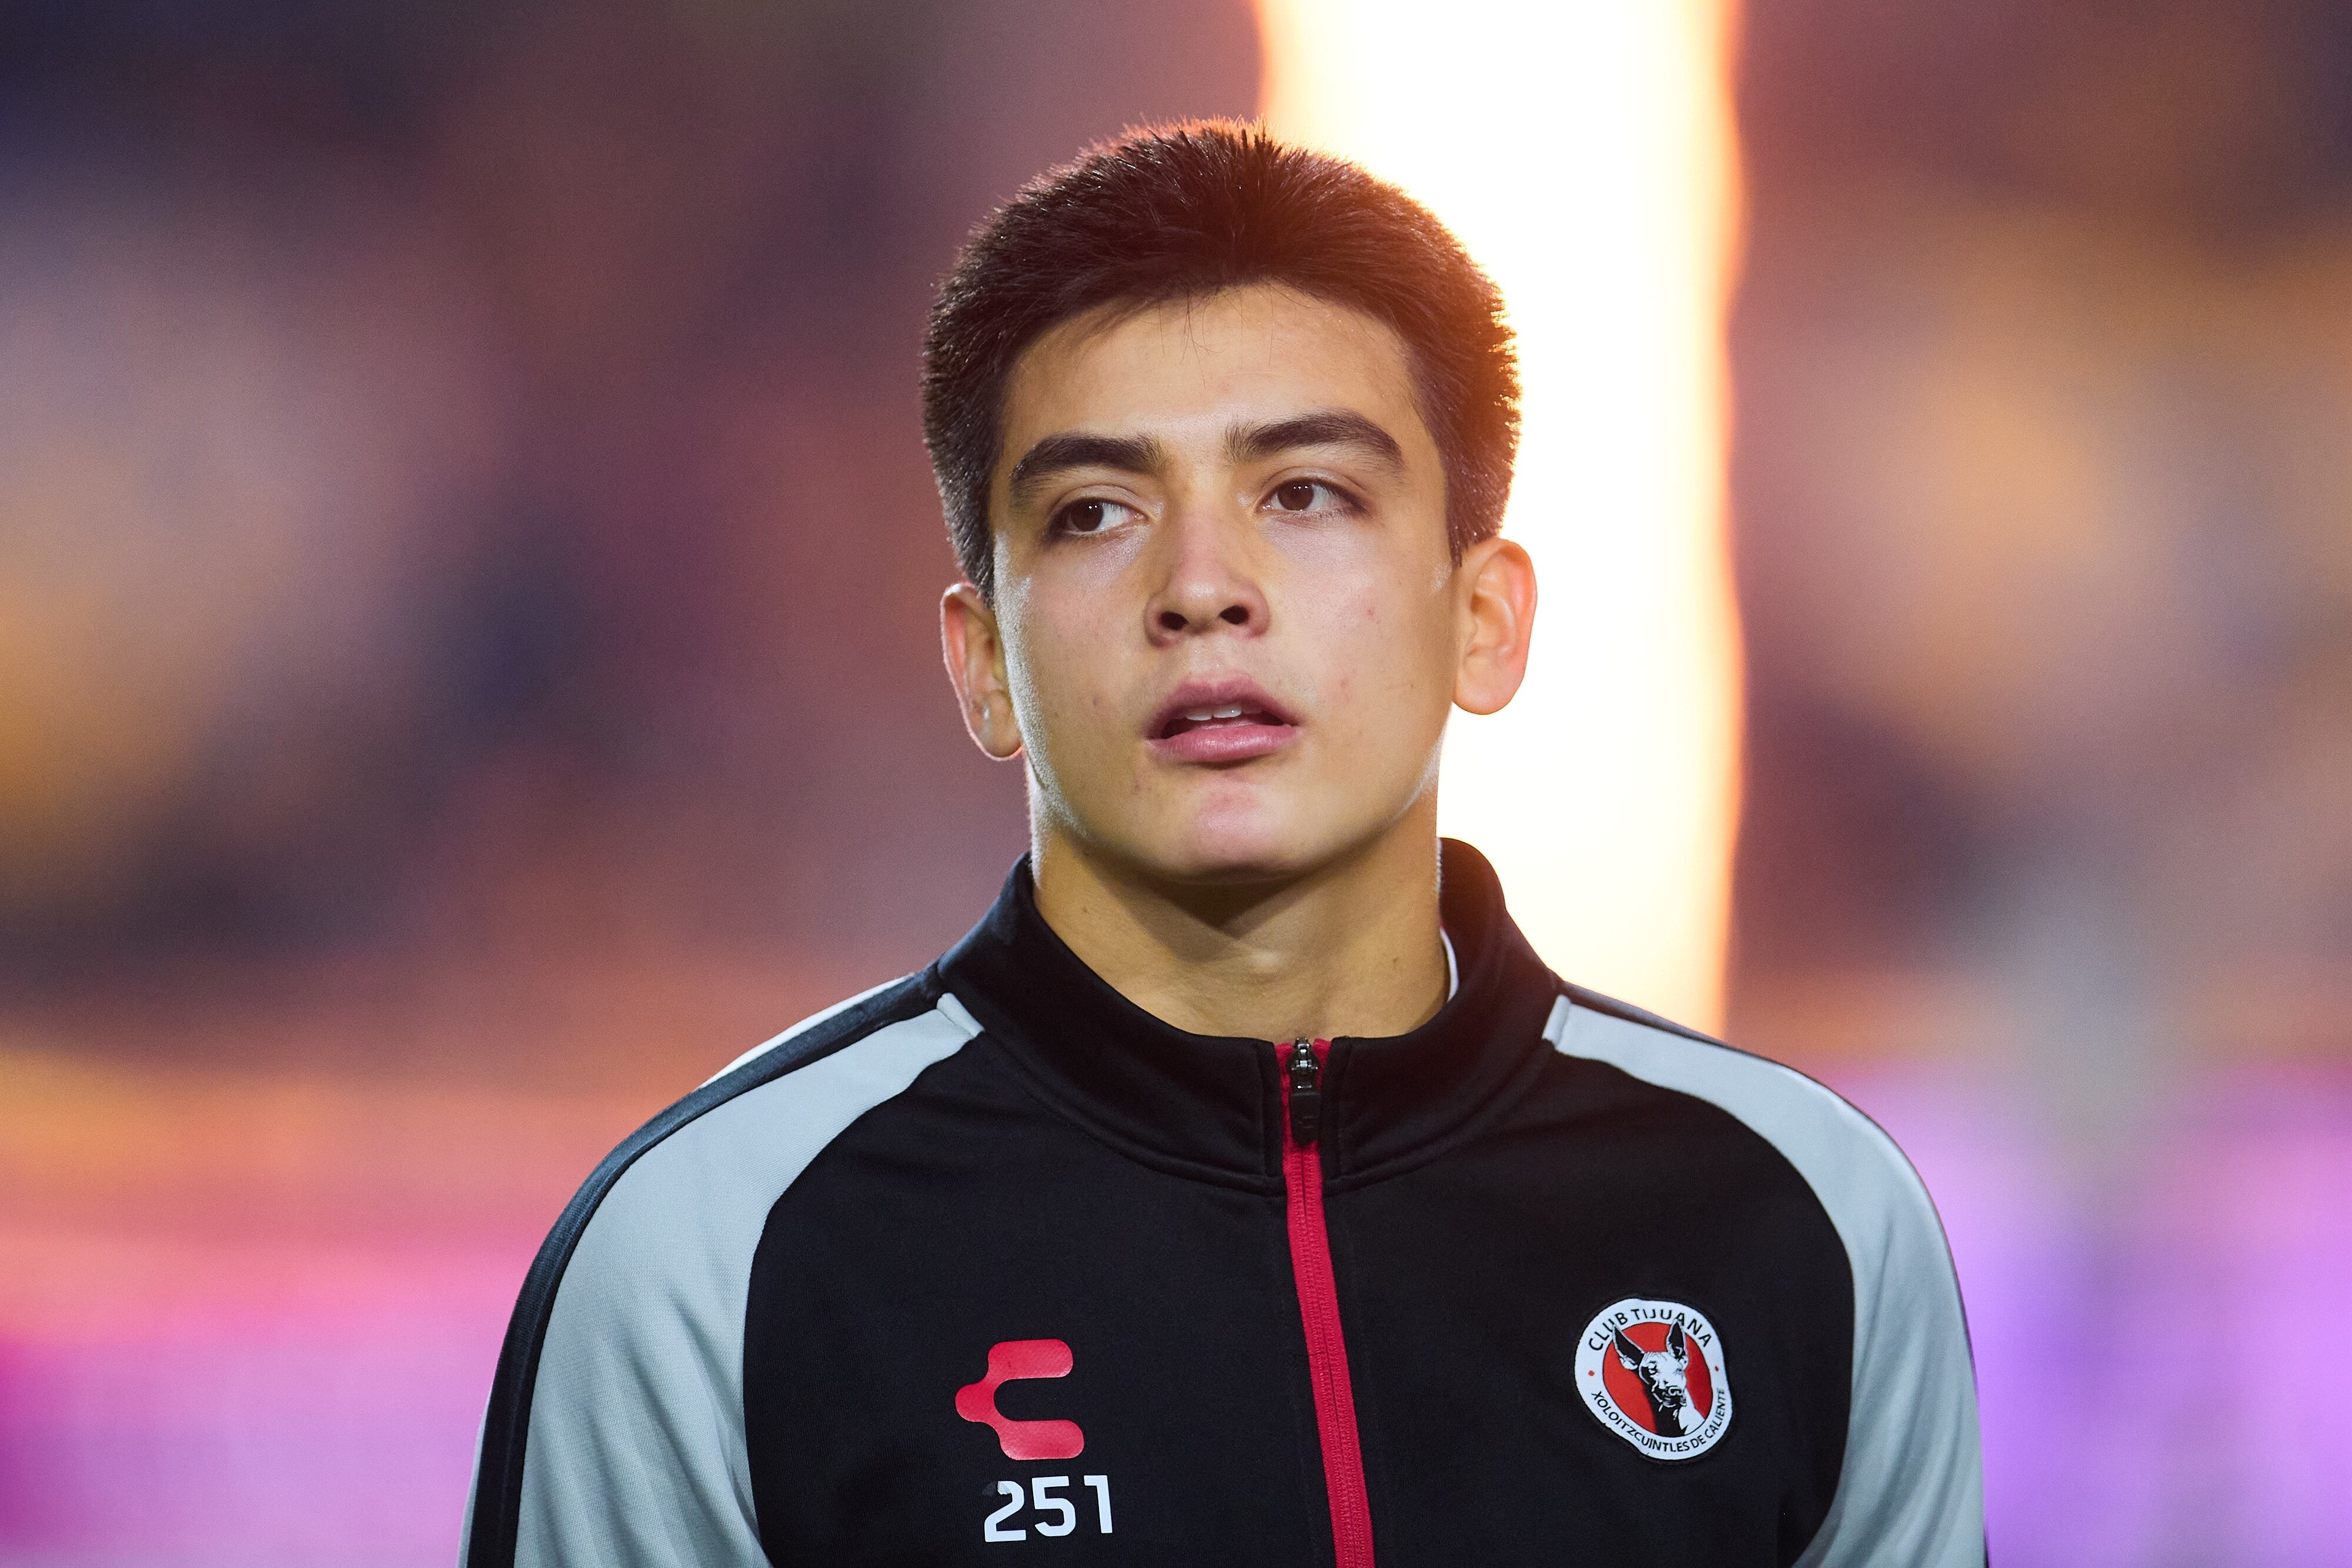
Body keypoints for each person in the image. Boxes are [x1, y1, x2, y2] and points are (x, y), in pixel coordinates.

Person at [459, 121, 1983, 1567]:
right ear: (981, 659)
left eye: (1306, 493)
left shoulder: (1805, 1218)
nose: (1204, 585)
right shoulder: (710, 1258)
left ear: (1486, 617)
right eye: (1098, 512)